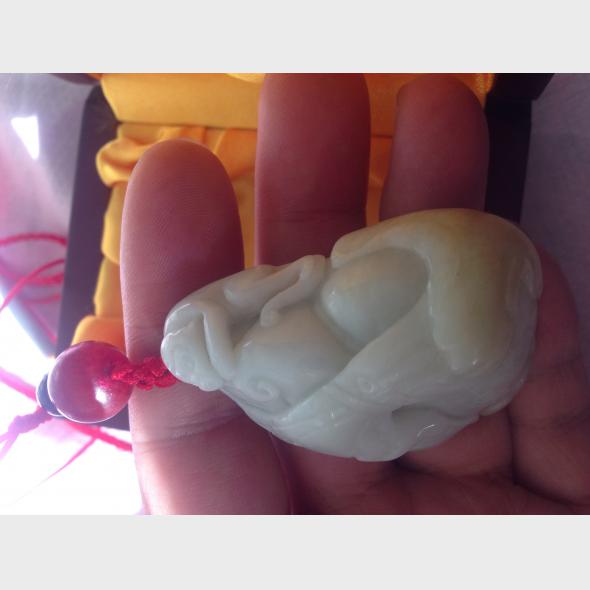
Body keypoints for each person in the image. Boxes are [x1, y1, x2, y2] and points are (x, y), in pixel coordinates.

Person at [120, 74, 590, 514]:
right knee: (437, 341)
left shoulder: (265, 323)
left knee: (367, 300)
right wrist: (431, 406)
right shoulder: (282, 406)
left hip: (404, 297)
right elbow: (389, 430)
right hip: (422, 354)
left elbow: (295, 279)